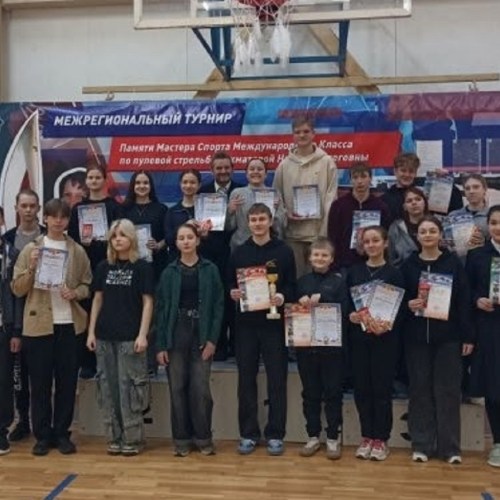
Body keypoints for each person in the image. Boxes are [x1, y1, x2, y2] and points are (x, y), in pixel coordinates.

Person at [11, 199, 92, 456]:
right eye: (53, 216)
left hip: (69, 325)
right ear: (44, 218)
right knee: (40, 385)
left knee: (67, 384)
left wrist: (75, 293)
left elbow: (87, 285)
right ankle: (42, 435)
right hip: (38, 327)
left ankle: (62, 433)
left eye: (63, 217)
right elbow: (17, 288)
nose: (58, 221)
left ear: (68, 221)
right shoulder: (31, 250)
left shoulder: (77, 250)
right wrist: (32, 268)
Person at [401, 215, 474, 464]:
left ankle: (450, 448)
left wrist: (467, 335)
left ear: (441, 234)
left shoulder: (453, 263)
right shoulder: (409, 265)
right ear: (417, 236)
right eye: (423, 231)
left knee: (449, 392)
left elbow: (464, 301)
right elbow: (400, 300)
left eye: (433, 231)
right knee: (419, 391)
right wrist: (409, 304)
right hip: (416, 339)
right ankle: (422, 445)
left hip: (449, 338)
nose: (428, 235)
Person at [228, 203, 296, 456]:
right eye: (253, 219)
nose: (257, 223)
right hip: (246, 326)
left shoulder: (284, 251)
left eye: (261, 219)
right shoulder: (239, 252)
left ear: (270, 221)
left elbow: (291, 285)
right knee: (246, 381)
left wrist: (282, 296)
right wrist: (233, 293)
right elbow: (230, 285)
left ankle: (276, 434)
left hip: (274, 325)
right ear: (248, 223)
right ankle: (248, 433)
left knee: (277, 380)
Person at [87, 219, 154, 456]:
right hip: (104, 337)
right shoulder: (103, 267)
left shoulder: (142, 267)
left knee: (130, 389)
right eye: (114, 236)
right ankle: (114, 437)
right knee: (108, 388)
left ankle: (133, 439)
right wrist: (91, 332)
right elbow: (97, 300)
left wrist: (143, 334)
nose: (118, 240)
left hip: (130, 337)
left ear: (132, 238)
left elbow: (148, 303)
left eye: (122, 235)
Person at [156, 223, 224, 457]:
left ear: (197, 240)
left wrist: (212, 340)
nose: (185, 241)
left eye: (189, 237)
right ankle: (181, 439)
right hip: (176, 331)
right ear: (176, 243)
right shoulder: (169, 272)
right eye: (181, 238)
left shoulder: (210, 269)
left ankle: (203, 437)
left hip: (201, 332)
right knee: (177, 388)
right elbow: (161, 310)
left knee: (200, 389)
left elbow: (218, 306)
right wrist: (161, 344)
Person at [347, 226, 405, 461]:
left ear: (385, 243)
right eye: (367, 242)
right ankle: (366, 437)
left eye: (375, 240)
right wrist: (351, 316)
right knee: (362, 390)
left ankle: (381, 439)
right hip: (359, 340)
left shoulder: (395, 273)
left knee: (381, 390)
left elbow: (401, 310)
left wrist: (388, 324)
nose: (371, 245)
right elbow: (346, 303)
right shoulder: (354, 272)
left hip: (385, 341)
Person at [295, 237, 348, 460]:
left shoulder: (339, 281)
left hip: (332, 349)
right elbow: (291, 311)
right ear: (309, 258)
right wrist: (298, 302)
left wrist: (323, 298)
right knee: (310, 393)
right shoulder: (302, 281)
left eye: (324, 255)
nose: (320, 258)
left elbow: (345, 310)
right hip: (306, 347)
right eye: (316, 254)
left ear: (332, 258)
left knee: (333, 392)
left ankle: (333, 438)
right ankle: (313, 436)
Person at [68, 162, 121, 378]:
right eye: (90, 177)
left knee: (108, 312)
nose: (94, 181)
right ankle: (87, 362)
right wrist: (84, 241)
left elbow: (120, 236)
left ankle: (108, 363)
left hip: (109, 265)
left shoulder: (114, 207)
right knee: (86, 313)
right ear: (86, 181)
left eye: (98, 177)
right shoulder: (77, 209)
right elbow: (72, 238)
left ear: (105, 180)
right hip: (85, 267)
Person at [1, 189, 44, 445]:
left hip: (41, 312)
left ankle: (42, 425)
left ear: (38, 208)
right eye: (23, 205)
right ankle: (23, 421)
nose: (28, 210)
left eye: (32, 206)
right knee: (17, 373)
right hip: (14, 316)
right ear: (16, 207)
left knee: (39, 375)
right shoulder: (7, 240)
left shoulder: (48, 236)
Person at [273, 115, 338, 278]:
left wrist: (324, 232)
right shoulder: (284, 165)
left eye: (306, 131)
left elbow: (331, 198)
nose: (302, 135)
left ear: (313, 134)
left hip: (318, 233)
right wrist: (285, 214)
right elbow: (276, 197)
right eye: (297, 132)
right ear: (293, 135)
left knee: (317, 280)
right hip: (292, 234)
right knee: (296, 278)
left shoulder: (327, 162)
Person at [199, 151, 244, 361]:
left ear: (232, 169)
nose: (223, 171)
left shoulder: (241, 191)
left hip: (237, 253)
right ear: (212, 170)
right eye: (219, 168)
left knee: (236, 299)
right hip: (211, 253)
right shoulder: (203, 192)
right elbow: (201, 225)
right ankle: (219, 346)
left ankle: (236, 345)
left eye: (227, 167)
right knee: (215, 300)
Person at [465, 205, 500, 467]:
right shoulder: (477, 255)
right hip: (489, 327)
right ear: (488, 226)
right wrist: (477, 300)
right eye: (494, 222)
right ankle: (498, 442)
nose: (498, 227)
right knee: (494, 388)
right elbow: (467, 290)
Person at [327, 162, 391, 272]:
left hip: (373, 262)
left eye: (363, 176)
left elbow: (385, 236)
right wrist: (335, 266)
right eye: (355, 177)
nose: (359, 181)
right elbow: (333, 238)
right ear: (350, 180)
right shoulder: (338, 206)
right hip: (345, 264)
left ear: (370, 179)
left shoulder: (381, 206)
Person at [227, 157, 286, 252]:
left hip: (269, 245)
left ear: (266, 174)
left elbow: (281, 226)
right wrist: (230, 211)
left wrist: (274, 213)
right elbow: (229, 227)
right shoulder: (237, 193)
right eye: (252, 169)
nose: (256, 171)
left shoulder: (275, 194)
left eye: (259, 169)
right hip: (241, 245)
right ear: (246, 174)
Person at [382, 152, 463, 222]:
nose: (407, 175)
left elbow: (455, 206)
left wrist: (446, 182)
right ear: (395, 171)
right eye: (403, 170)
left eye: (411, 171)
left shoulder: (427, 190)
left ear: (416, 173)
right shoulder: (386, 198)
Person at [121, 170, 168, 283]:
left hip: (156, 263)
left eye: (146, 183)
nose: (142, 186)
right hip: (129, 262)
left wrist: (158, 245)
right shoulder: (123, 209)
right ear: (133, 186)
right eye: (138, 183)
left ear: (151, 186)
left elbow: (168, 235)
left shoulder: (161, 209)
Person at [165, 169, 201, 261]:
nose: (188, 185)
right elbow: (168, 240)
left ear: (199, 185)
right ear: (180, 184)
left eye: (192, 182)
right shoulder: (172, 212)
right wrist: (185, 226)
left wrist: (205, 235)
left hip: (203, 261)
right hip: (177, 262)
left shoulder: (205, 210)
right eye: (185, 182)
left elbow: (216, 239)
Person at [448, 173, 489, 255]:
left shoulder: (493, 215)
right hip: (458, 261)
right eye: (467, 188)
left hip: (485, 260)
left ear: (484, 189)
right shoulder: (452, 216)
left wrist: (485, 242)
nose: (471, 191)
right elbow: (444, 244)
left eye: (476, 187)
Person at [388, 187, 429, 267]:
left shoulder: (436, 224)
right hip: (403, 271)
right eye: (409, 201)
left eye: (418, 199)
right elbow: (390, 257)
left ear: (425, 202)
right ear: (404, 207)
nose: (414, 203)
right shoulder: (395, 228)